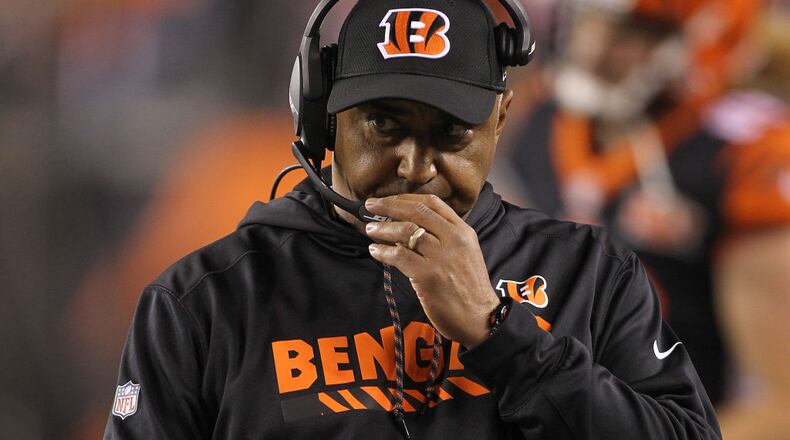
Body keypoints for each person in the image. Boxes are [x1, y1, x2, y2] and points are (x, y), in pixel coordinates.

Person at [105, 0, 720, 438]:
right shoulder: (205, 302)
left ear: (500, 120)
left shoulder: (590, 272)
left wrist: (500, 336)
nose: (416, 164)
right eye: (384, 124)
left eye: (451, 133)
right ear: (321, 116)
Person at [507, 0, 787, 411]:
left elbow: (783, 406)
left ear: (704, 37)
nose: (595, 50)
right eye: (591, 22)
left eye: (634, 33)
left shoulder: (736, 157)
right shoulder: (539, 123)